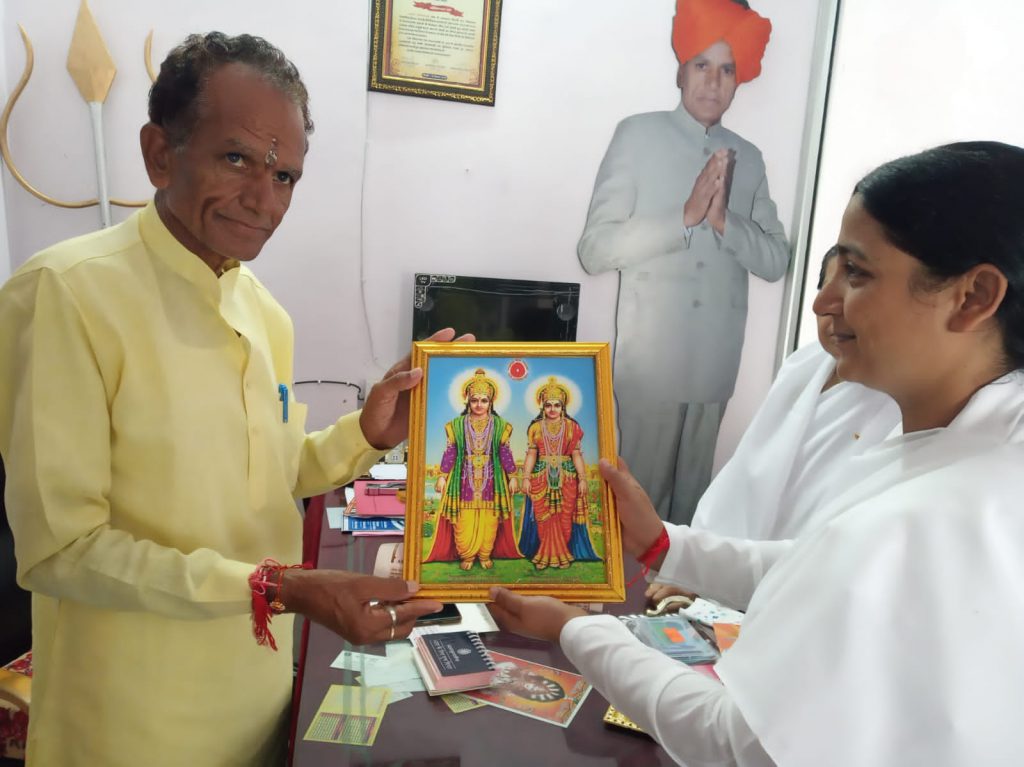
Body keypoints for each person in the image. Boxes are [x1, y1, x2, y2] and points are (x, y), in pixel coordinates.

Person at [492, 141, 1024, 766]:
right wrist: (663, 544)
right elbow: (820, 568)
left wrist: (573, 628)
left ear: (973, 297)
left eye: (858, 274)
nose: (823, 301)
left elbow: (737, 745)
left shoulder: (930, 515)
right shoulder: (973, 447)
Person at [0, 33, 450, 766]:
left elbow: (269, 476)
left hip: (259, 695)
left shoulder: (262, 310)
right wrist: (283, 587)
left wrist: (367, 434)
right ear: (160, 153)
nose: (264, 200)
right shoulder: (66, 295)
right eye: (237, 158)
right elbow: (63, 551)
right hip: (134, 722)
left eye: (285, 175)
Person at [578, 0, 789, 526]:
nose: (713, 83)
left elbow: (775, 261)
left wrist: (723, 222)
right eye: (702, 65)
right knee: (635, 511)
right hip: (649, 368)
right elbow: (595, 250)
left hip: (715, 368)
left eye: (727, 70)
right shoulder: (637, 135)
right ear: (681, 70)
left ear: (739, 79)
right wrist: (685, 218)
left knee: (691, 518)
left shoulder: (749, 157)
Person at [687, 249, 901, 540]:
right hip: (725, 550)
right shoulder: (803, 364)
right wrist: (697, 549)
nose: (823, 306)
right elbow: (744, 471)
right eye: (825, 287)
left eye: (852, 288)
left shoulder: (903, 400)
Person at [426, 368, 521, 570]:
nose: (479, 404)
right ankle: (467, 555)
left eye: (483, 400)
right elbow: (451, 451)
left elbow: (504, 452)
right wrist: (442, 476)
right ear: (468, 401)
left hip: (492, 480)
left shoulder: (500, 425)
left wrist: (512, 475)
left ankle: (485, 555)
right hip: (463, 479)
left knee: (490, 519)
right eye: (474, 400)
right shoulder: (457, 425)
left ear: (491, 402)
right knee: (463, 519)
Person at [517, 376, 600, 568]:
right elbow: (531, 454)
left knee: (564, 517)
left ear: (563, 407)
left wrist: (582, 479)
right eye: (548, 405)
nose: (552, 409)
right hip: (541, 477)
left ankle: (563, 555)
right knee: (542, 517)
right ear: (542, 406)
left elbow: (576, 454)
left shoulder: (572, 427)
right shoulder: (535, 428)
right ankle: (544, 554)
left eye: (557, 405)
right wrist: (526, 478)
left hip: (567, 478)